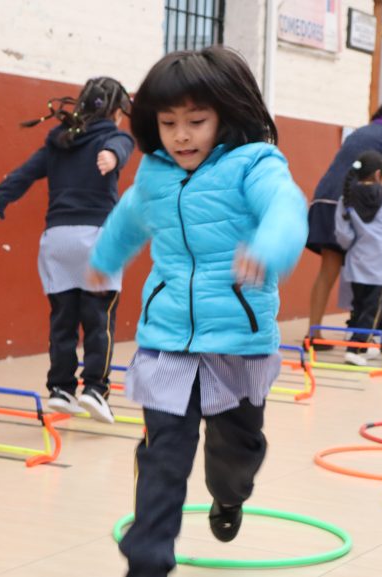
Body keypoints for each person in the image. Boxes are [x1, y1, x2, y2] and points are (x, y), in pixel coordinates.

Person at [87, 47, 307, 577]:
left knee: (237, 451)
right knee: (163, 455)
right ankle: (147, 561)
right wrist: (103, 260)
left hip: (235, 341)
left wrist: (268, 248)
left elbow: (285, 206)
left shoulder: (253, 164)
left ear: (225, 115)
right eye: (168, 124)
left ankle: (229, 495)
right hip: (167, 340)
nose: (181, 136)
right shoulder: (155, 176)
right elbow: (127, 220)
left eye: (196, 121)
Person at [0, 77, 135, 423]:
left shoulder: (60, 140)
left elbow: (24, 174)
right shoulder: (114, 137)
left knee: (63, 320)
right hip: (97, 238)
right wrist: (113, 156)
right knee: (99, 319)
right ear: (116, 112)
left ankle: (61, 389)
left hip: (57, 241)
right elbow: (120, 145)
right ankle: (95, 390)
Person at [305, 95, 382, 349]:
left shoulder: (361, 132)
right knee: (376, 269)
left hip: (326, 202)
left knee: (327, 272)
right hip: (360, 209)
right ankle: (367, 331)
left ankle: (313, 333)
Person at [334, 150, 382, 366]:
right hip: (381, 265)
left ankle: (364, 344)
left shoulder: (346, 198)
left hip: (356, 264)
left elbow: (344, 236)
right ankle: (356, 349)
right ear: (379, 175)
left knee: (359, 307)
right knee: (373, 310)